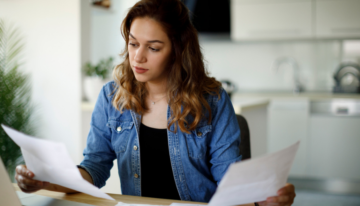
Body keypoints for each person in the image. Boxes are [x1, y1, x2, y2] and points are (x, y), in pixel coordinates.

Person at [14, 0, 296, 205]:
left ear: (178, 50)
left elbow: (229, 178)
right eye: (133, 43)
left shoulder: (212, 100)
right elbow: (95, 166)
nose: (138, 57)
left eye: (153, 48)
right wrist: (52, 180)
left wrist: (263, 199)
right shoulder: (112, 98)